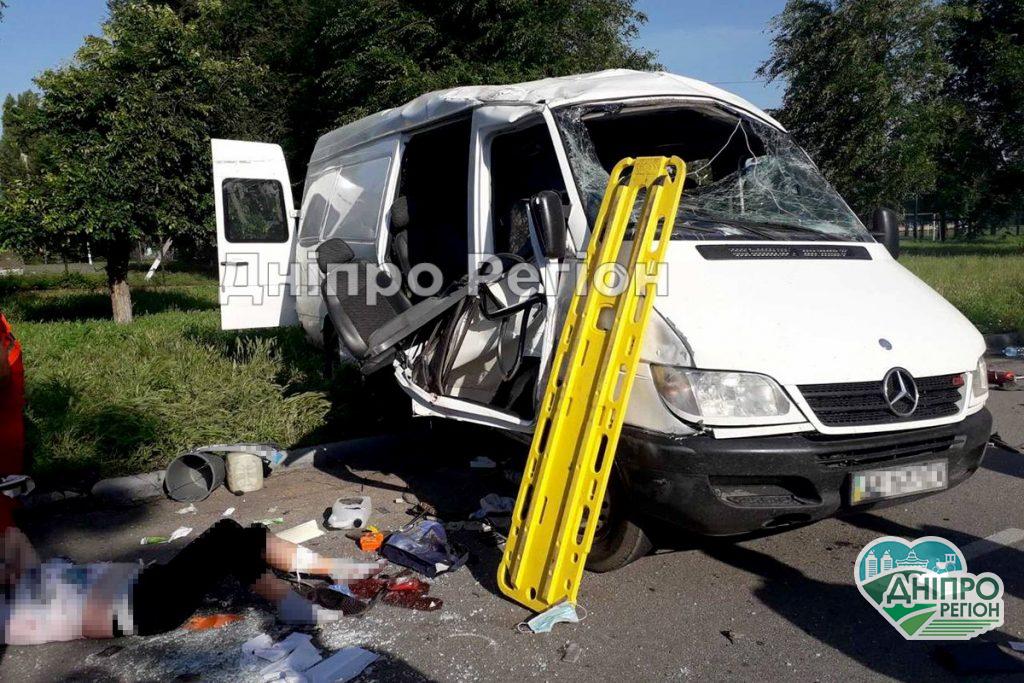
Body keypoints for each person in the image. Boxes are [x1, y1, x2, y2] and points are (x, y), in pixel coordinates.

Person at [0, 519, 384, 645]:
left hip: (149, 584)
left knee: (245, 536)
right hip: (143, 606)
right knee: (226, 536)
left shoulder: (28, 580)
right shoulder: (10, 614)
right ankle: (298, 609)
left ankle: (333, 569)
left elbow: (13, 537)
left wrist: (9, 566)